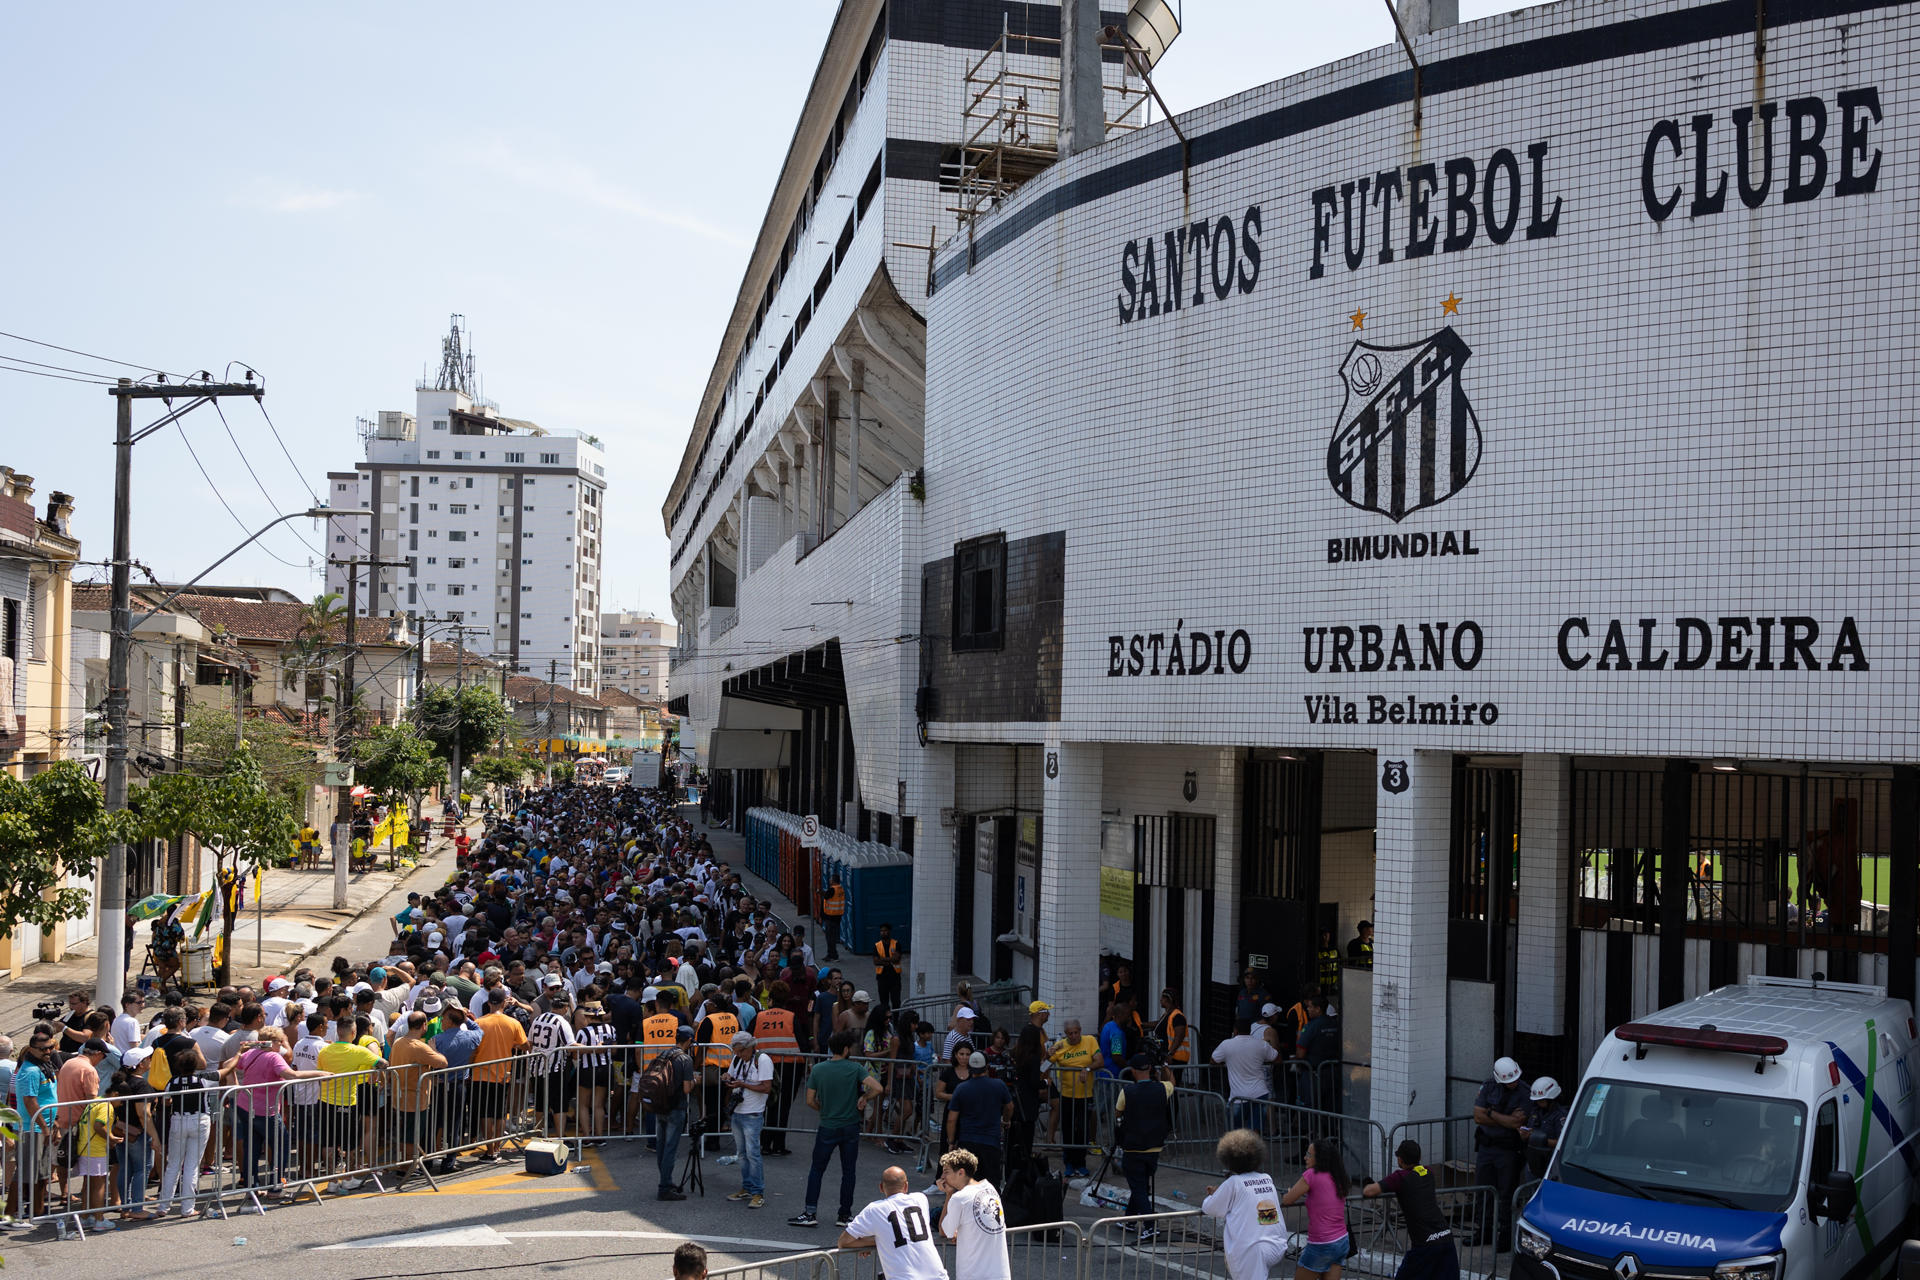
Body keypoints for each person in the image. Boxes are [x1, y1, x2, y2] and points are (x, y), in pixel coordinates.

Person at [789, 1028, 882, 1227]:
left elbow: (810, 1100)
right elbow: (878, 1088)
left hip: (828, 1124)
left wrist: (823, 1109)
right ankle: (844, 1214)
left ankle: (810, 1212)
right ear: (847, 1049)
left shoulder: (819, 1069)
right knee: (848, 1171)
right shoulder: (855, 1068)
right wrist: (864, 1097)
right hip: (850, 1125)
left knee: (817, 1169)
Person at [1364, 1140, 1459, 1280]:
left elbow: (1369, 1191)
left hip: (1425, 1245)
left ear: (1400, 1159)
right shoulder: (1428, 1172)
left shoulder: (1400, 1177)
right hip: (1445, 1237)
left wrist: (1368, 1183)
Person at [1203, 1129, 1289, 1280]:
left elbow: (1209, 1208)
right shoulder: (1266, 1178)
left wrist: (1214, 1195)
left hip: (1251, 1249)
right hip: (1276, 1244)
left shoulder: (1234, 1183)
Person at [840, 1165, 950, 1280]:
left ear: (881, 1187)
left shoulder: (874, 1209)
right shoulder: (920, 1199)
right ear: (906, 1186)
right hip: (938, 1276)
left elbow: (844, 1241)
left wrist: (877, 1241)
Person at [1472, 1056, 1528, 1250]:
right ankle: (1484, 1231)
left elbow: (1517, 1123)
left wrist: (1491, 1113)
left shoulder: (1524, 1092)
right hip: (1487, 1147)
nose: (1512, 1083)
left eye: (1514, 1079)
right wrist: (1505, 1119)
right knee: (1483, 1191)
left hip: (1508, 1151)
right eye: (1508, 1081)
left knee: (1506, 1194)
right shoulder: (1488, 1086)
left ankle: (1505, 1235)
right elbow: (1478, 1116)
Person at [1114, 1053, 1174, 1230]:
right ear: (1149, 1069)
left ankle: (1149, 1226)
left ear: (1132, 1071)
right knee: (1140, 1185)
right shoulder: (1162, 1088)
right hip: (1154, 1146)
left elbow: (1117, 1114)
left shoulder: (1127, 1092)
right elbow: (1172, 1082)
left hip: (1133, 1147)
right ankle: (1129, 1221)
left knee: (1139, 1187)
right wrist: (1164, 1066)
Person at [1281, 1137, 1353, 1279]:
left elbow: (1287, 1199)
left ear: (1319, 1158)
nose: (1304, 1157)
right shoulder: (1337, 1175)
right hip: (1341, 1240)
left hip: (1322, 1243)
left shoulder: (1311, 1175)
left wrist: (1291, 1192)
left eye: (1308, 1154)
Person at [938, 1147, 1011, 1280]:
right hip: (1000, 1274)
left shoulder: (959, 1198)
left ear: (961, 1172)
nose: (942, 1177)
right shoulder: (990, 1188)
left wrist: (949, 1194)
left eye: (946, 1172)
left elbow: (944, 1231)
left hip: (975, 1274)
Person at [946, 1050, 1014, 1188]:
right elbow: (1009, 1106)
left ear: (970, 1068)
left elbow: (951, 1119)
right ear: (987, 1066)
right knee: (991, 1185)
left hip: (967, 1142)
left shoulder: (961, 1088)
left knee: (966, 1184)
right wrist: (1006, 1120)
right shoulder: (999, 1085)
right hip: (991, 1142)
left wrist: (951, 1141)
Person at [723, 1029, 772, 1208]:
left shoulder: (763, 1060)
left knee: (753, 1154)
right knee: (742, 1154)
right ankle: (747, 1187)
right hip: (738, 1112)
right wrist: (727, 1077)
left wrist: (742, 1083)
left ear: (750, 1047)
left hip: (753, 1113)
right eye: (735, 1051)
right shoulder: (737, 1059)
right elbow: (732, 1075)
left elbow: (766, 1087)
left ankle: (758, 1192)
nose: (738, 1054)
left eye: (741, 1051)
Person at [650, 1025, 699, 1201]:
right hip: (676, 1108)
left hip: (660, 1105)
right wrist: (695, 1080)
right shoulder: (685, 1059)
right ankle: (664, 1188)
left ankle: (666, 1181)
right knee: (670, 1149)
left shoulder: (664, 1054)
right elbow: (687, 1089)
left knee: (662, 1148)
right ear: (689, 1041)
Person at [1048, 1019, 1101, 1177]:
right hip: (1067, 1095)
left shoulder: (1090, 1040)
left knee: (1082, 1130)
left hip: (1086, 1095)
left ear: (1080, 1030)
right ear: (1066, 1034)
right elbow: (1045, 1064)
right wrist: (1047, 1054)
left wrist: (1087, 1068)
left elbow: (1100, 1061)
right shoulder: (1061, 1046)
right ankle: (1069, 1163)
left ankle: (1081, 1163)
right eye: (1070, 1033)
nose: (1073, 1036)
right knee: (1069, 1130)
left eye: (1076, 1032)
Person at [1212, 1018, 1279, 1132]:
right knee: (1255, 1130)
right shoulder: (1261, 1044)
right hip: (1260, 1093)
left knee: (1234, 1132)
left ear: (1235, 1030)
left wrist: (1227, 1060)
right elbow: (1277, 1059)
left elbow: (1213, 1061)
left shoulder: (1227, 1044)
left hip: (1238, 1096)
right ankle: (1252, 1149)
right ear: (1250, 1030)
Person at [1521, 1076, 1567, 1180]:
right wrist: (1525, 1135)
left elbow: (1562, 1142)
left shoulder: (1560, 1115)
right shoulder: (1535, 1111)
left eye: (1542, 1100)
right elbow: (1529, 1129)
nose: (1538, 1103)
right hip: (1534, 1161)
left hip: (1550, 1163)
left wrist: (1540, 1139)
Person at [1152, 988, 1191, 1073]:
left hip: (1175, 1057)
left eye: (1162, 997)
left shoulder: (1177, 1016)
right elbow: (1158, 1024)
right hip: (1168, 1055)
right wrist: (1141, 1024)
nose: (1160, 999)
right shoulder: (1168, 1014)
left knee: (1171, 1083)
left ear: (1167, 999)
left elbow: (1179, 1036)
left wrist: (1170, 1054)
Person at [873, 922, 904, 1012]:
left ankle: (896, 1020)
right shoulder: (877, 946)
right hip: (882, 978)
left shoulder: (896, 944)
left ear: (889, 931)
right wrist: (890, 959)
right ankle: (886, 1020)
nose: (883, 932)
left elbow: (896, 959)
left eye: (885, 930)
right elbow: (876, 961)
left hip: (895, 977)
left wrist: (882, 959)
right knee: (884, 1002)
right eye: (881, 931)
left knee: (896, 1001)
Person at [820, 874, 846, 961]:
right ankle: (832, 954)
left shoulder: (833, 889)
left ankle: (832, 955)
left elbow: (826, 895)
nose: (829, 880)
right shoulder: (840, 889)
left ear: (833, 880)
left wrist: (818, 891)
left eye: (831, 879)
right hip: (837, 917)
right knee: (832, 936)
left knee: (830, 937)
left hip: (830, 917)